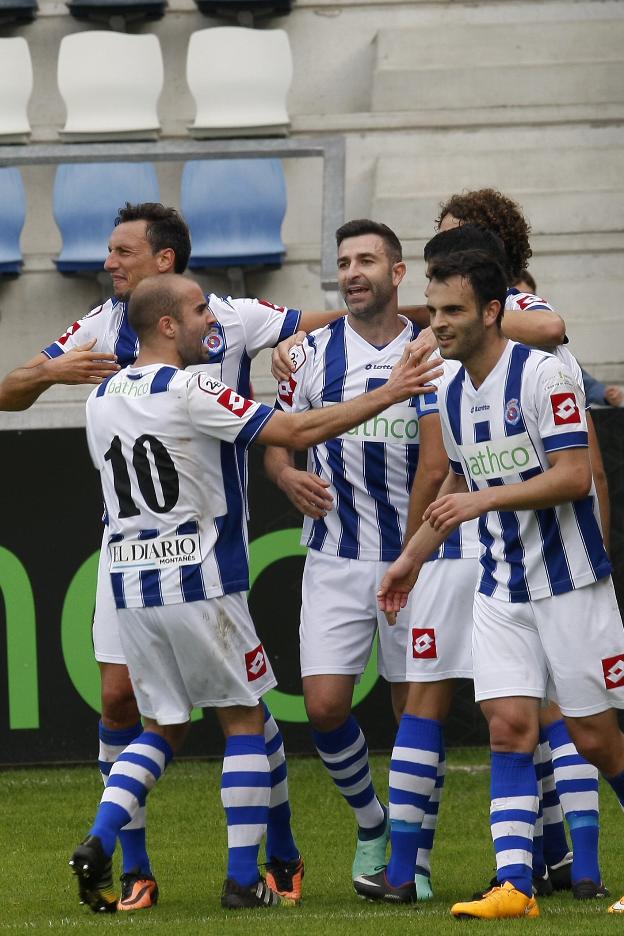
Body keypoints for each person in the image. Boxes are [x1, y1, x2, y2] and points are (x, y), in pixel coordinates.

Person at [8, 201, 345, 912]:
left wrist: (303, 351)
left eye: (121, 251)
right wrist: (52, 372)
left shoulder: (216, 321)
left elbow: (318, 324)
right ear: (171, 322)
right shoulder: (109, 334)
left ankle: (271, 848)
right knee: (171, 703)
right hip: (168, 554)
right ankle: (167, 868)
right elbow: (10, 392)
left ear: (163, 260)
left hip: (171, 555)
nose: (107, 262)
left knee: (202, 711)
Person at [72, 272, 442, 912]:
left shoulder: (100, 397)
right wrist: (391, 392)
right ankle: (244, 879)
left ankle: (99, 838)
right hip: (200, 578)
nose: (209, 321)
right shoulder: (194, 386)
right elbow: (295, 434)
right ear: (165, 326)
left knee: (161, 728)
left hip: (130, 583)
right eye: (196, 311)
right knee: (244, 719)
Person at [377, 248, 624, 920]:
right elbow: (460, 480)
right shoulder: (450, 388)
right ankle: (514, 885)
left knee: (598, 738)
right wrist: (411, 559)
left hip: (571, 584)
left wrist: (482, 504)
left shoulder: (546, 375)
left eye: (453, 311)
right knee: (509, 727)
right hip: (502, 589)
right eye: (433, 312)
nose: (438, 325)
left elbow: (575, 476)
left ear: (493, 311)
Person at [263, 219, 449, 888]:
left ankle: (412, 859)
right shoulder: (307, 355)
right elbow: (276, 437)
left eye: (366, 260)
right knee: (324, 708)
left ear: (398, 274)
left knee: (414, 714)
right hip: (336, 557)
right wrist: (285, 475)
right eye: (343, 262)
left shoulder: (431, 350)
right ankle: (373, 825)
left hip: (419, 558)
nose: (352, 272)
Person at [516, 270, 623, 409]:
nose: (525, 308)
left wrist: (606, 394)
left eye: (530, 298)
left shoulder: (552, 347)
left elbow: (584, 384)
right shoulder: (498, 346)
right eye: (518, 300)